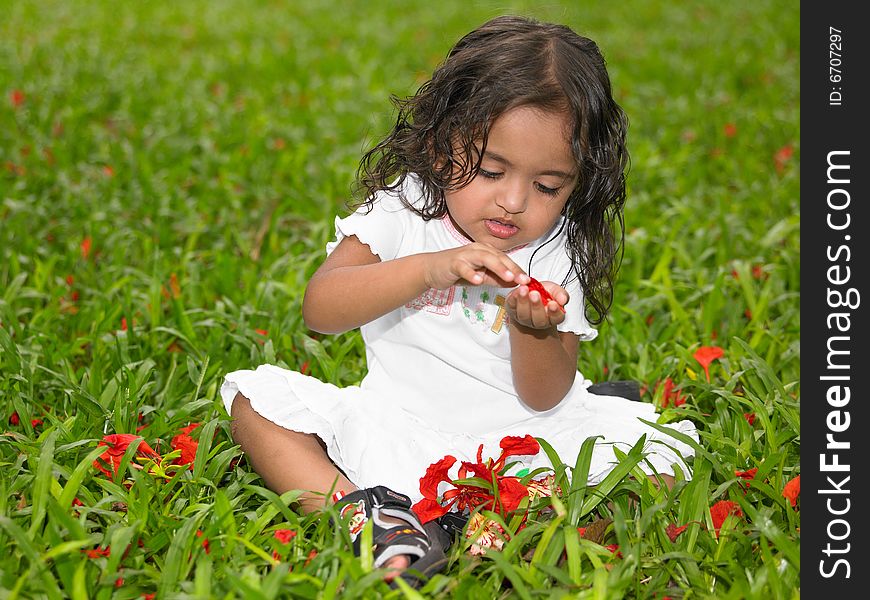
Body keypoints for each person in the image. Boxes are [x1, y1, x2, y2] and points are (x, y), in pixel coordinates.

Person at [222, 14, 698, 580]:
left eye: (548, 186)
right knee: (254, 404)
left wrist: (533, 329)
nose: (514, 201)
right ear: (443, 146)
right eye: (492, 170)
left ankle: (500, 525)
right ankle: (365, 513)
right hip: (401, 421)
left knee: (660, 466)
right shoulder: (407, 208)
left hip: (519, 440)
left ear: (579, 182)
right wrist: (428, 269)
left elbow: (545, 396)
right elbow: (321, 310)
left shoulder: (554, 248)